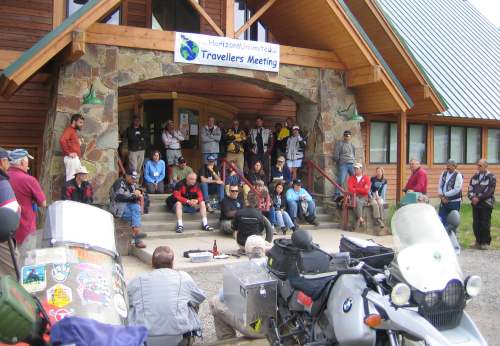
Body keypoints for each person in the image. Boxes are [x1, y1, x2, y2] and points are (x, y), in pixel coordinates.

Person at [128, 246, 206, 346]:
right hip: (179, 336)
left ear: (152, 263)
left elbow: (127, 301)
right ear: (173, 263)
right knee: (191, 302)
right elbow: (200, 297)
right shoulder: (183, 277)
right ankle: (189, 336)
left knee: (131, 306)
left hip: (146, 338)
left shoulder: (138, 279)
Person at [209, 236, 268, 341]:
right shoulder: (276, 265)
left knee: (215, 301)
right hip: (278, 325)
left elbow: (225, 296)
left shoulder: (243, 270)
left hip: (257, 327)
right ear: (264, 249)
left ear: (246, 252)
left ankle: (227, 340)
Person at [7, 149, 46, 255]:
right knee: (26, 263)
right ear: (22, 162)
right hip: (25, 230)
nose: (28, 163)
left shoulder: (3, 177)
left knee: (9, 266)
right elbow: (43, 203)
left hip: (5, 230)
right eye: (27, 160)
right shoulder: (29, 180)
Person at [109, 170, 146, 248]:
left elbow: (141, 191)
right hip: (118, 208)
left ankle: (135, 238)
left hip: (129, 207)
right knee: (136, 214)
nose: (134, 180)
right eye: (132, 178)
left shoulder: (132, 184)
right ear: (127, 176)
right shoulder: (119, 182)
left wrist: (139, 191)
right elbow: (119, 197)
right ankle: (137, 239)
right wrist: (133, 196)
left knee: (136, 208)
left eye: (135, 178)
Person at [0, 147, 21, 277]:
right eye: (8, 160)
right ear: (1, 162)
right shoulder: (1, 180)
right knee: (12, 277)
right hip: (3, 239)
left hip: (5, 234)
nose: (9, 164)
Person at [468, 159, 496, 250]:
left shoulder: (491, 177)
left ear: (485, 166)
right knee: (476, 223)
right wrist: (472, 198)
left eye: (480, 165)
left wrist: (478, 198)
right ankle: (478, 241)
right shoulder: (475, 176)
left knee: (485, 223)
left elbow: (490, 191)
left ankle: (485, 243)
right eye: (478, 165)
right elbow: (470, 189)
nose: (478, 167)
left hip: (486, 204)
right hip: (475, 204)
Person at [438, 160, 463, 226]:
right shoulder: (443, 173)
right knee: (441, 219)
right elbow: (440, 185)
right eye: (447, 165)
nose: (447, 167)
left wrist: (445, 195)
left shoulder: (458, 175)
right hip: (443, 201)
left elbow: (457, 189)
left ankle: (452, 234)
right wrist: (441, 195)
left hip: (454, 202)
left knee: (453, 221)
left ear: (454, 166)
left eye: (449, 165)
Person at [59, 113, 84, 181]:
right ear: (74, 122)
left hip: (74, 159)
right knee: (71, 180)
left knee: (75, 180)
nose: (82, 125)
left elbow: (70, 143)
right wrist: (69, 153)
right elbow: (62, 140)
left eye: (82, 123)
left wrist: (78, 144)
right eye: (80, 122)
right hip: (71, 159)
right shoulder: (69, 130)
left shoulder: (73, 131)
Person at [348, 163, 371, 229]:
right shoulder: (351, 178)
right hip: (354, 196)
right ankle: (360, 218)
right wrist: (361, 189)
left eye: (357, 168)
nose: (355, 170)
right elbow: (350, 189)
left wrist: (356, 189)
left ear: (361, 169)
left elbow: (366, 191)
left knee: (358, 202)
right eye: (354, 168)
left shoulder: (366, 178)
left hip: (364, 197)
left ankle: (358, 220)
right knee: (357, 201)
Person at [333, 130, 356, 197]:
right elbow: (336, 155)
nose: (347, 137)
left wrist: (353, 160)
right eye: (345, 136)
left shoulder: (352, 145)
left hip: (351, 164)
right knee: (341, 179)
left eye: (348, 136)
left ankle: (355, 193)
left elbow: (353, 154)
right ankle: (336, 194)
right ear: (344, 136)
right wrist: (338, 161)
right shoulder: (340, 144)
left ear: (350, 136)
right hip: (343, 164)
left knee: (355, 178)